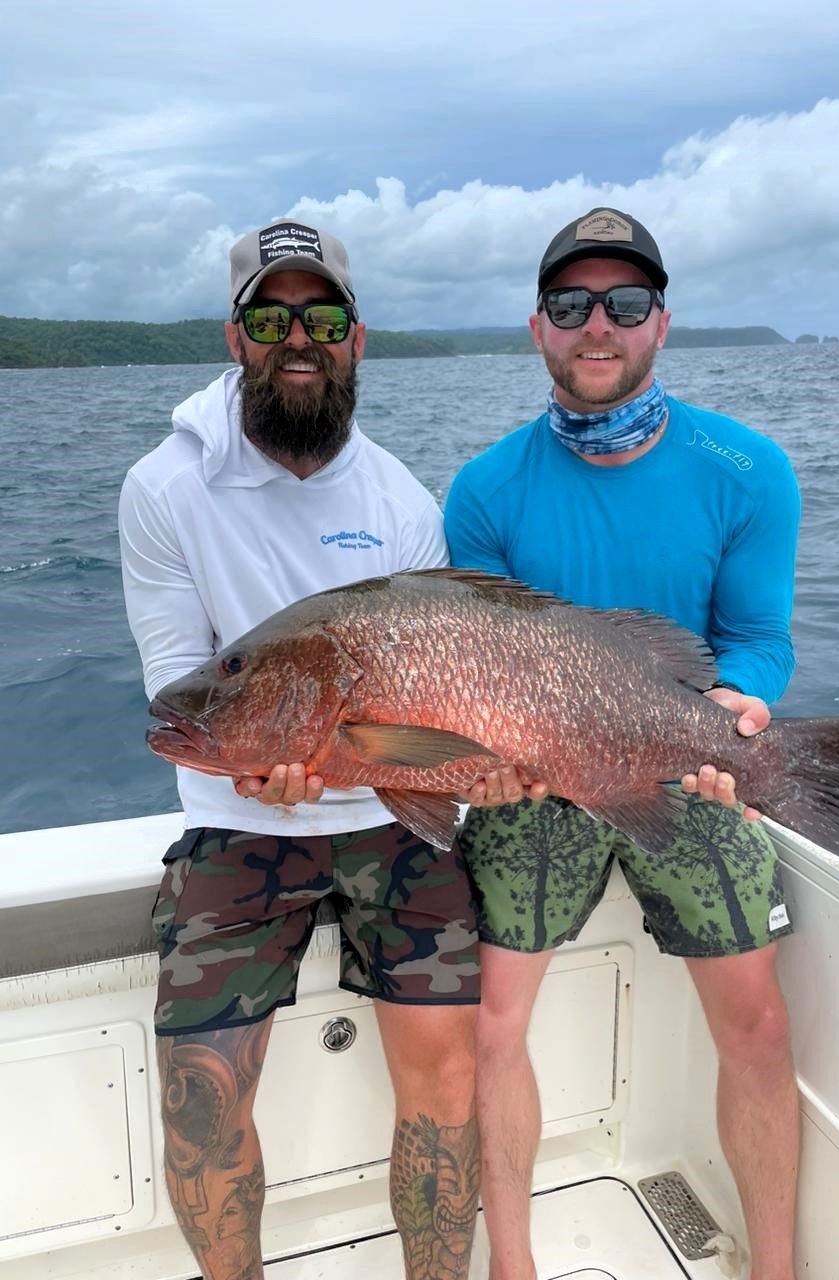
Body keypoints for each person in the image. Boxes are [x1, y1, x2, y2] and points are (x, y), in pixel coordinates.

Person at [444, 207, 802, 1280]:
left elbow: (755, 638)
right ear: (537, 327)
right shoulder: (485, 490)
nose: (597, 324)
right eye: (570, 304)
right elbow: (478, 665)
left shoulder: (747, 467)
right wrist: (490, 755)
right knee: (491, 1021)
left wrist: (738, 705)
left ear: (662, 322)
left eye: (625, 302)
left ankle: (777, 1267)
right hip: (535, 781)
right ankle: (514, 1264)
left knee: (760, 1022)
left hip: (685, 763)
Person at [119, 220, 481, 1280]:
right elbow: (178, 679)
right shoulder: (164, 488)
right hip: (238, 815)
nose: (298, 337)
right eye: (271, 317)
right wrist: (256, 753)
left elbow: (442, 700)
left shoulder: (401, 500)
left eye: (320, 316)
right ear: (235, 337)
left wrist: (473, 765)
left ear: (356, 338)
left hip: (390, 804)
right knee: (199, 1093)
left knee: (448, 1073)